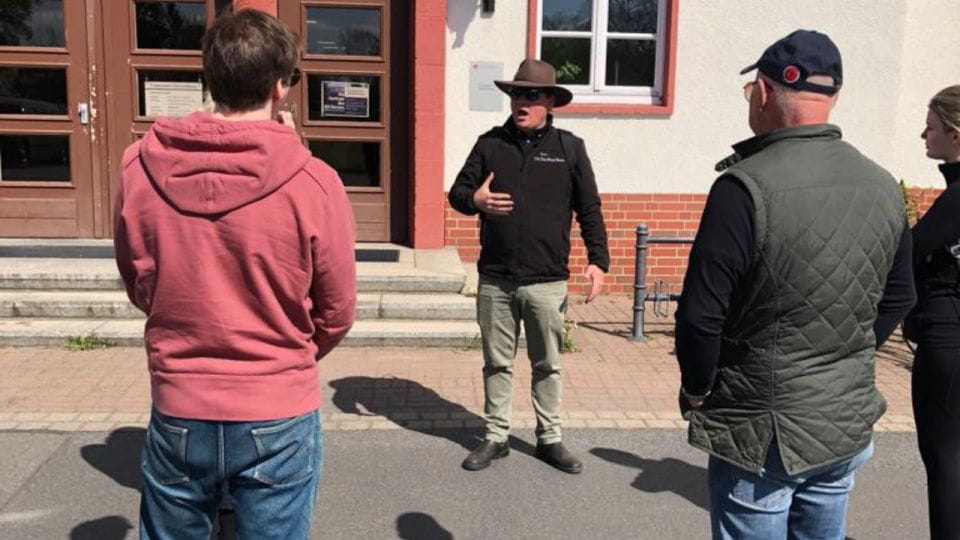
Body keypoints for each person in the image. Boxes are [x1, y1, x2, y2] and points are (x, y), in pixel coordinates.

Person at [113, 9, 356, 539]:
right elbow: (336, 310)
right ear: (279, 87)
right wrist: (284, 354)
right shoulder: (315, 181)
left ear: (209, 79)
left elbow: (139, 282)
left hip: (181, 398)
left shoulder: (139, 165)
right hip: (277, 403)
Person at [674, 30, 916, 539]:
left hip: (765, 426)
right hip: (842, 417)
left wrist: (698, 390)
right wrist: (843, 355)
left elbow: (701, 314)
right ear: (834, 96)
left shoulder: (744, 187)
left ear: (762, 91)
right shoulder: (882, 184)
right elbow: (900, 295)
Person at [448, 58, 609, 474]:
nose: (522, 101)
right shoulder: (489, 144)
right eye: (517, 94)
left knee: (547, 364)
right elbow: (458, 193)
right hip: (496, 278)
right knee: (497, 362)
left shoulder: (569, 148)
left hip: (547, 280)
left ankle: (549, 439)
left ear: (550, 101)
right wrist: (476, 202)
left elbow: (589, 208)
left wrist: (598, 261)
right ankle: (496, 436)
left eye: (531, 95)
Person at [905, 84, 960, 540]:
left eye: (931, 127)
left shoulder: (958, 198)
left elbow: (907, 253)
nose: (924, 135)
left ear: (956, 134)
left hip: (949, 341)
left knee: (946, 460)